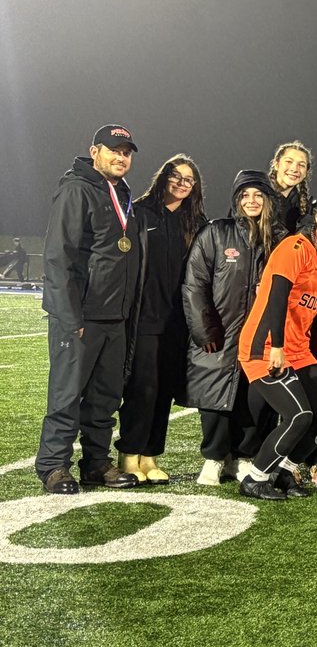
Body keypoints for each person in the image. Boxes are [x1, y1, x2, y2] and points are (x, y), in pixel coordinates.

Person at [36, 125, 144, 493]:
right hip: (81, 317)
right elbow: (58, 257)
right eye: (114, 150)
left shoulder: (120, 192)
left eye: (127, 152)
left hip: (115, 315)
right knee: (67, 394)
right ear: (94, 151)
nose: (122, 157)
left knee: (104, 397)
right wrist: (70, 318)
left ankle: (96, 464)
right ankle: (53, 466)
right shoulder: (77, 189)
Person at [236, 196, 317, 500]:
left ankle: (286, 472)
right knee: (299, 415)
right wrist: (276, 345)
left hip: (298, 348)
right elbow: (276, 297)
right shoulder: (295, 247)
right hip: (265, 346)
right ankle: (256, 477)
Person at [183, 170, 283, 486]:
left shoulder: (280, 238)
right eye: (245, 195)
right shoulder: (215, 233)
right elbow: (194, 284)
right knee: (215, 399)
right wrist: (204, 330)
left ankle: (243, 457)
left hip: (261, 338)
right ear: (236, 200)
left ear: (268, 200)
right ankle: (214, 458)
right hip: (220, 334)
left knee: (255, 400)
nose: (251, 201)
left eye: (258, 195)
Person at [116, 154, 207, 483]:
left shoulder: (196, 221)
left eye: (189, 179)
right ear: (163, 177)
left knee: (165, 388)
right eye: (176, 176)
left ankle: (151, 456)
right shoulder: (140, 213)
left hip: (177, 322)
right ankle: (129, 453)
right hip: (145, 317)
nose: (182, 183)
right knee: (143, 387)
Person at [268, 141, 313, 233]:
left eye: (301, 165)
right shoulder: (257, 195)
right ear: (276, 165)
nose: (294, 169)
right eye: (289, 161)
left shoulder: (304, 207)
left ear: (306, 172)